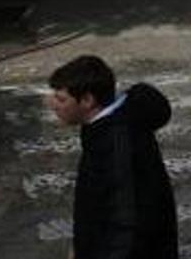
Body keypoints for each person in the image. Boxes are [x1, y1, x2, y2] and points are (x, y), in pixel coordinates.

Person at [46, 55, 177, 259]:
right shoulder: (108, 125)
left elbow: (125, 220)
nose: (52, 104)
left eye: (61, 99)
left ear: (87, 100)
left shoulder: (115, 142)